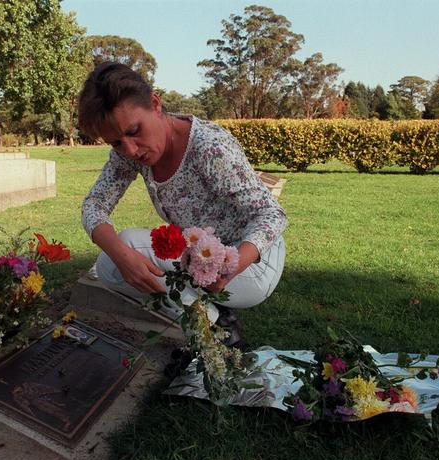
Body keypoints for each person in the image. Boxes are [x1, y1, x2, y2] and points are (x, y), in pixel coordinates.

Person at [78, 62, 287, 347]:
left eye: (135, 130)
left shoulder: (209, 148)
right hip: (197, 260)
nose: (130, 149)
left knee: (128, 242)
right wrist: (121, 256)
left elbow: (271, 215)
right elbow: (94, 205)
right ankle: (212, 323)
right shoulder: (129, 153)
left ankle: (213, 331)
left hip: (252, 265)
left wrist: (229, 268)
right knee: (111, 265)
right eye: (115, 143)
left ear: (155, 104)